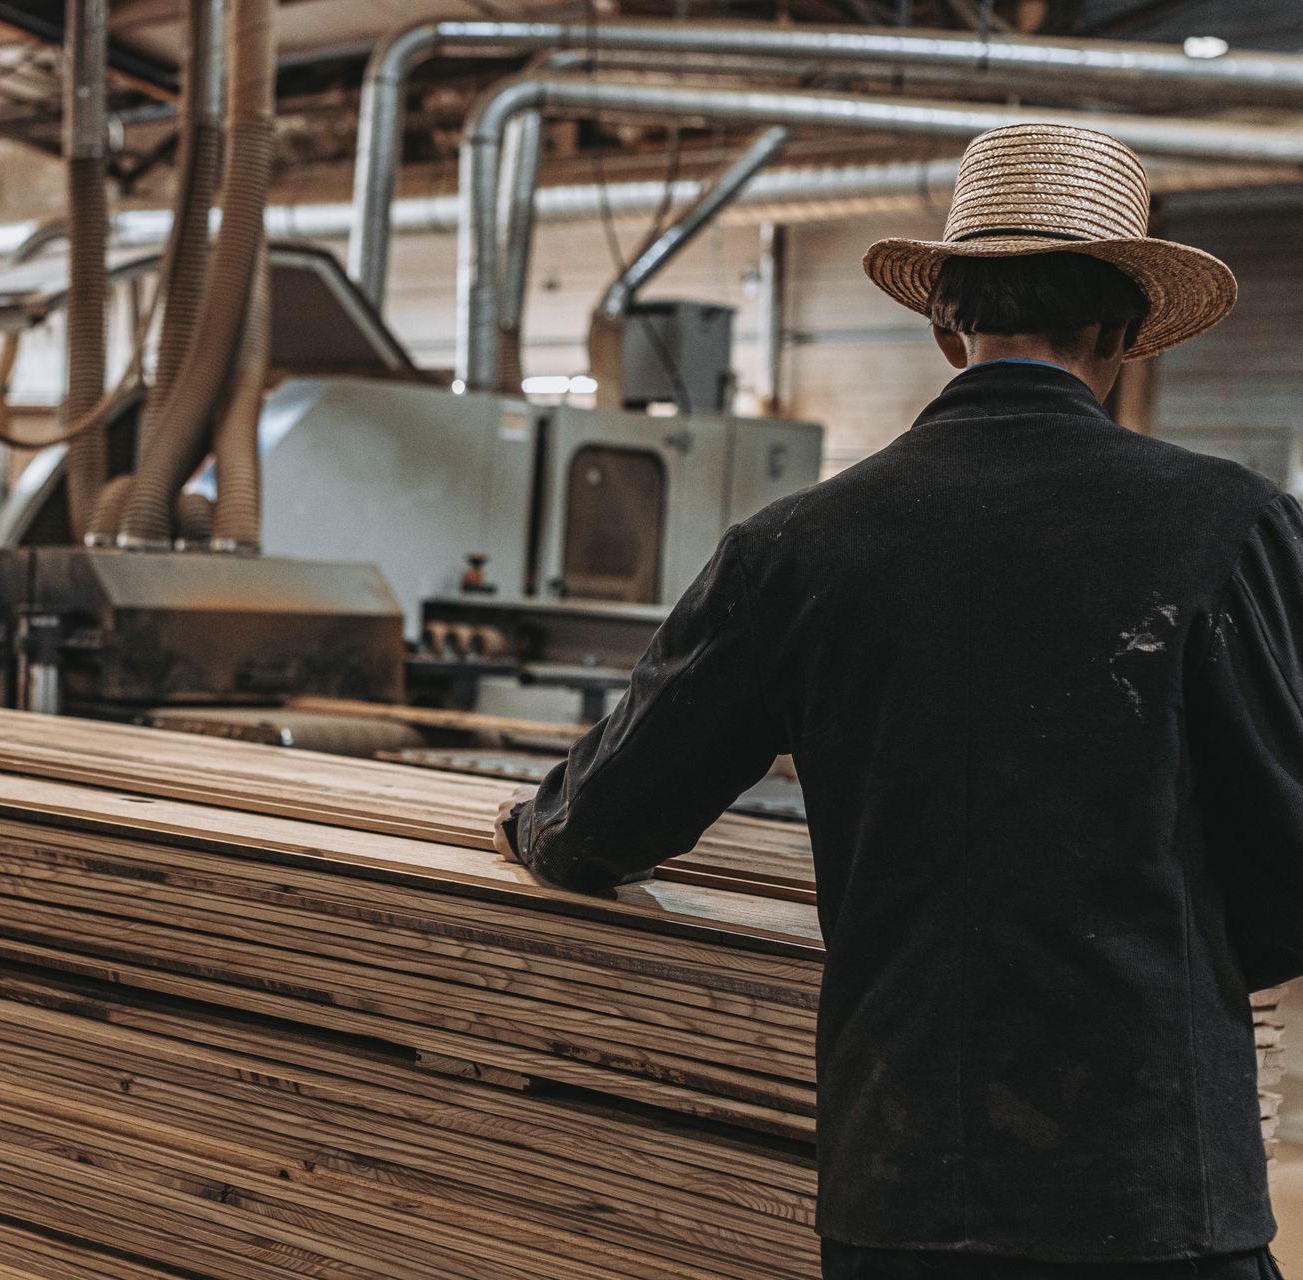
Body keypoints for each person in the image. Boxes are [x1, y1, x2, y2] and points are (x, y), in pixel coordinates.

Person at [494, 123, 1300, 1279]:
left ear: (942, 324)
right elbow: (1288, 862)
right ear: (1126, 334)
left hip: (908, 1186)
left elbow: (605, 820)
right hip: (1157, 1182)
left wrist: (535, 823)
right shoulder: (1230, 529)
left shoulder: (796, 545)